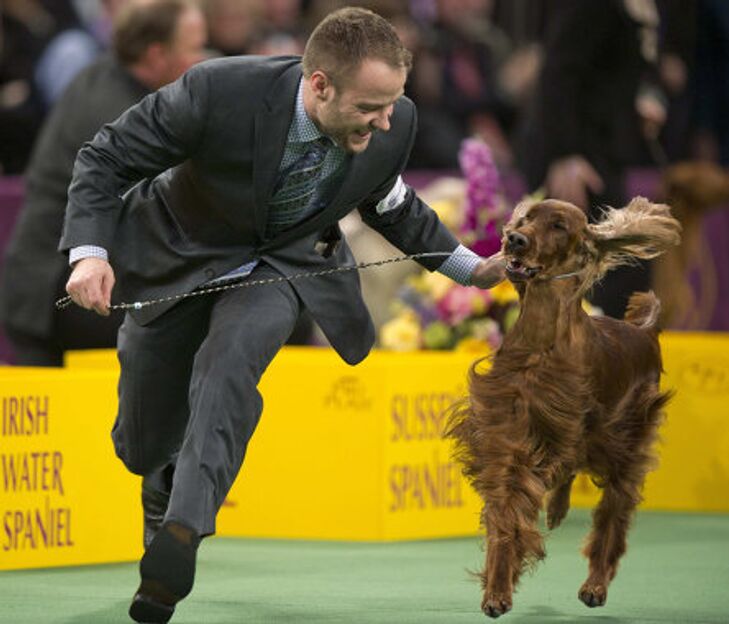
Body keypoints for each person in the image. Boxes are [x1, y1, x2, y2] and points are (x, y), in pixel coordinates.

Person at [59, 7, 505, 623]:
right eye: (370, 106)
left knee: (229, 366)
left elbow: (392, 203)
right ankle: (160, 480)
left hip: (280, 269)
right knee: (142, 444)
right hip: (176, 262)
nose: (385, 121)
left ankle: (183, 530)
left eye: (392, 105)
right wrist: (89, 254)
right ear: (319, 83)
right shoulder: (218, 90)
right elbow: (105, 158)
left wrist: (471, 268)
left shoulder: (391, 121)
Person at [0, 0, 207, 366]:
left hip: (49, 282)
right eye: (193, 48)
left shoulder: (107, 74)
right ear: (157, 55)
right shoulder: (116, 114)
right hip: (54, 291)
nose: (203, 59)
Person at [516, 0, 666, 318]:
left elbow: (612, 74)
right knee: (596, 266)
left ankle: (600, 355)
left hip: (600, 151)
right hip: (575, 156)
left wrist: (641, 101)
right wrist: (564, 154)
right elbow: (558, 72)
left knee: (615, 265)